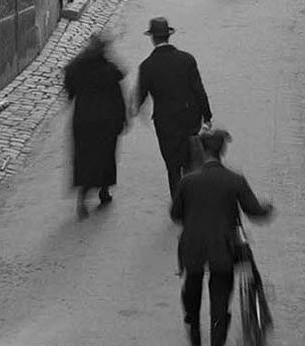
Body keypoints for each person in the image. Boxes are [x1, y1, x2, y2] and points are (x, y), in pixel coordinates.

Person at [172, 126, 274, 346]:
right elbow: (254, 211)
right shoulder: (234, 180)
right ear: (222, 151)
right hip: (222, 248)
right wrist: (267, 208)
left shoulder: (188, 182)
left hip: (193, 246)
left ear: (203, 150)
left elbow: (175, 215)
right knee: (220, 298)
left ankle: (193, 324)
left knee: (192, 283)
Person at [136, 16, 212, 207]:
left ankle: (177, 201)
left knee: (172, 165)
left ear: (153, 38)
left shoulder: (147, 66)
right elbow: (198, 90)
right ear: (168, 36)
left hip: (165, 122)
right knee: (190, 160)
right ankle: (193, 197)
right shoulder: (186, 59)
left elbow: (141, 96)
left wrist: (135, 109)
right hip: (189, 118)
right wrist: (207, 116)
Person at [63, 30, 129, 218]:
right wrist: (122, 119)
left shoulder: (77, 68)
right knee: (106, 156)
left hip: (83, 120)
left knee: (84, 158)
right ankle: (104, 191)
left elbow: (69, 89)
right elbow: (118, 97)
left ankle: (83, 196)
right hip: (106, 122)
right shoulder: (109, 70)